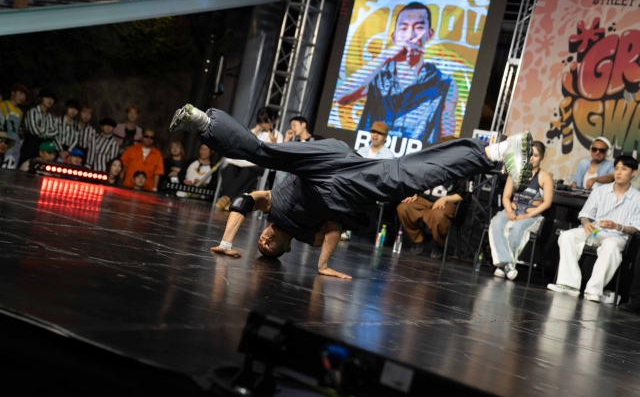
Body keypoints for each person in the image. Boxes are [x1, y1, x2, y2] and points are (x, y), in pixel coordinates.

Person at [170, 104, 533, 279]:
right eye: (270, 248)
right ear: (287, 248)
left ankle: (200, 119)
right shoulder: (307, 236)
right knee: (404, 178)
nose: (264, 242)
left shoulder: (272, 211)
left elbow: (244, 201)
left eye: (261, 244)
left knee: (264, 153)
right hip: (340, 182)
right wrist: (323, 266)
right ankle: (500, 150)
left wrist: (229, 243)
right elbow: (331, 230)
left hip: (320, 163)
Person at [337, 3, 458, 144]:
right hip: (371, 157)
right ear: (394, 37)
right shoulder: (376, 75)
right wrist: (385, 56)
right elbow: (342, 98)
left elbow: (447, 137)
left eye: (419, 27)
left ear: (429, 34)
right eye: (403, 28)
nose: (410, 35)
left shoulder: (444, 84)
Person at [547, 155, 640, 301]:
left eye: (624, 169)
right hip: (596, 231)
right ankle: (569, 285)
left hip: (618, 236)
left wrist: (618, 226)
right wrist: (586, 222)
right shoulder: (600, 191)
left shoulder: (637, 198)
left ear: (633, 173)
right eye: (616, 169)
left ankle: (593, 290)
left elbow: (637, 229)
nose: (618, 172)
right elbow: (584, 215)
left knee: (611, 246)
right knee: (568, 236)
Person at [489, 141, 554, 280]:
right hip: (512, 211)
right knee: (496, 222)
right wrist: (509, 211)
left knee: (517, 228)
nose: (531, 158)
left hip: (532, 216)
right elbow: (506, 197)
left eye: (535, 155)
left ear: (541, 157)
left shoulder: (545, 177)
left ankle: (503, 266)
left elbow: (547, 203)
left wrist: (528, 215)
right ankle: (507, 264)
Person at [213, 111, 284, 210]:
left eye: (265, 122)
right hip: (245, 160)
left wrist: (274, 143)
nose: (263, 125)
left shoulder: (277, 134)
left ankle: (227, 197)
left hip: (260, 163)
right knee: (228, 169)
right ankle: (231, 199)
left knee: (247, 172)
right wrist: (255, 131)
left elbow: (277, 154)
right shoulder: (254, 130)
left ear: (271, 120)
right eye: (261, 122)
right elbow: (243, 144)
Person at [397, 179, 468, 258]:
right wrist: (414, 193)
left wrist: (444, 199)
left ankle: (440, 245)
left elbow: (463, 194)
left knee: (438, 216)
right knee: (403, 208)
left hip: (446, 201)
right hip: (423, 198)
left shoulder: (461, 169)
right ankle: (418, 240)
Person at [22, 89, 58, 162]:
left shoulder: (50, 116)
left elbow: (55, 132)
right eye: (47, 97)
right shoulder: (32, 112)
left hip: (45, 146)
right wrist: (47, 132)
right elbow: (34, 131)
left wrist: (42, 130)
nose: (50, 100)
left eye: (52, 99)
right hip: (31, 144)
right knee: (27, 166)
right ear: (40, 98)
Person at [0, 83, 31, 167]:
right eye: (20, 94)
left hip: (15, 145)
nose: (22, 97)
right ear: (13, 93)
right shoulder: (3, 105)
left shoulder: (20, 112)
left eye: (24, 96)